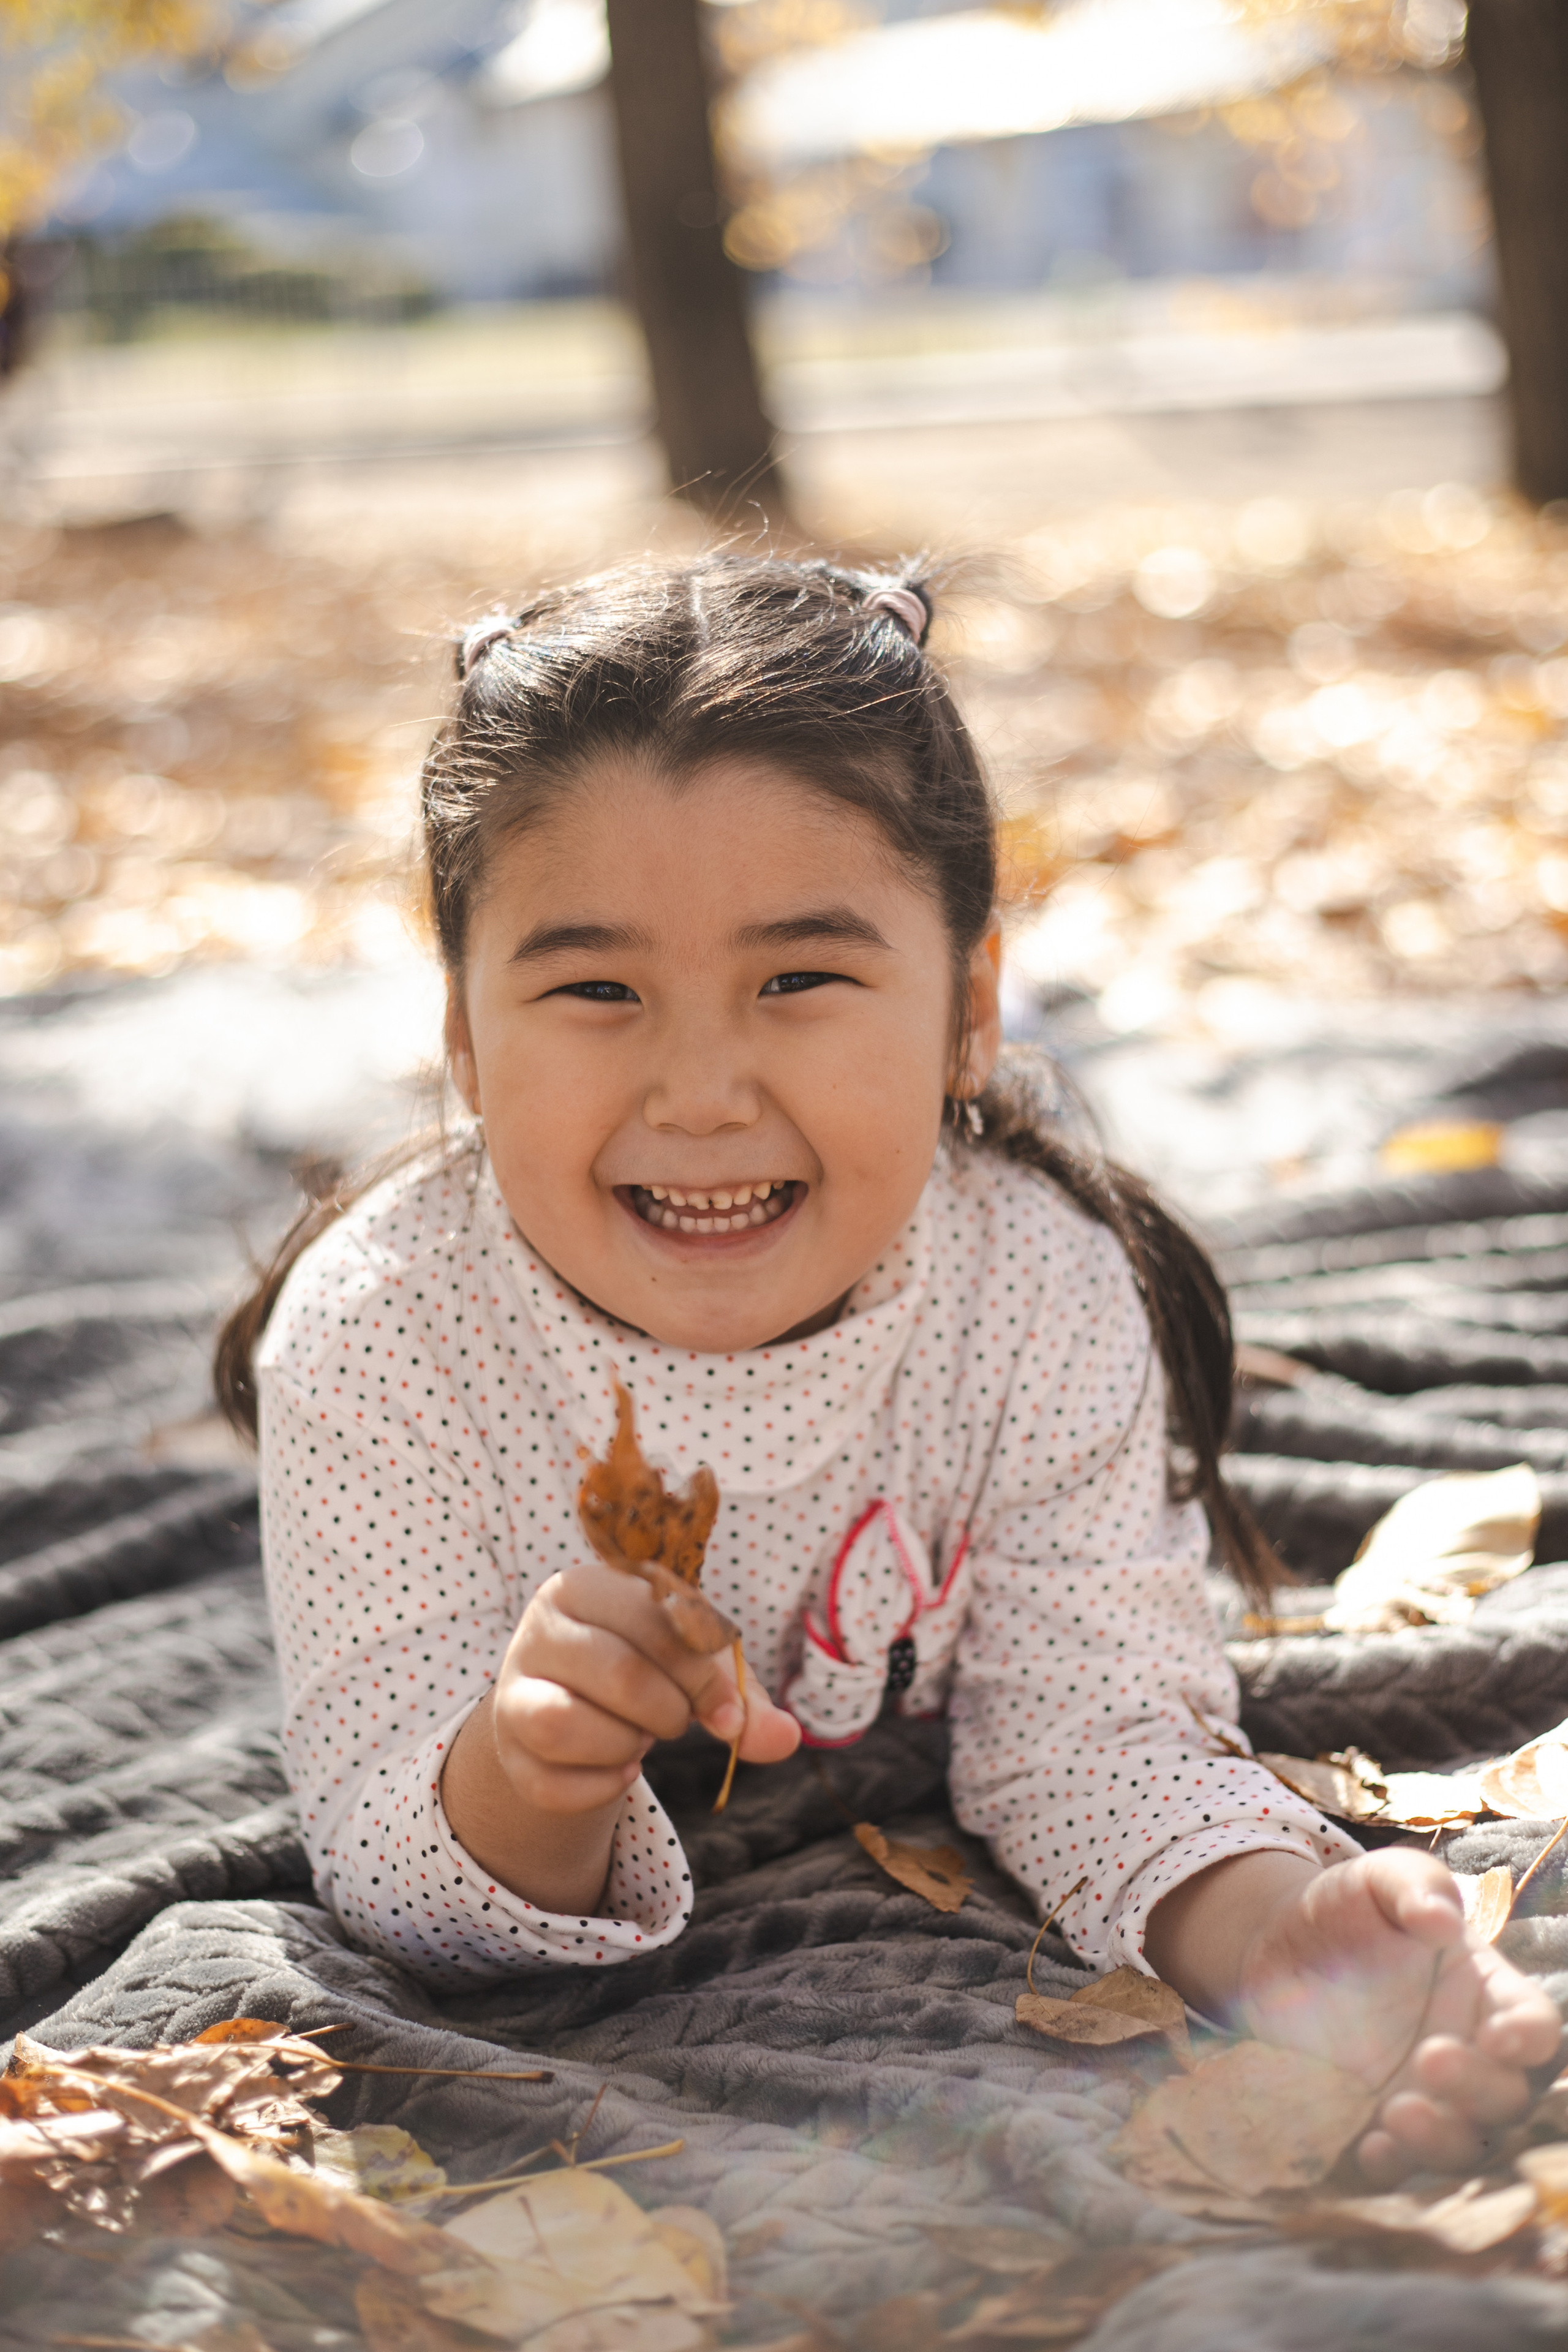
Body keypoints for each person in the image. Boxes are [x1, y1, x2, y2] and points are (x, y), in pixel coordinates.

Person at [217, 554, 1558, 2184]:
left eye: (800, 979)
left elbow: (1097, 1732)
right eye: (595, 990)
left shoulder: (1032, 1290)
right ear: (465, 1042)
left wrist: (1284, 1937)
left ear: (968, 1013)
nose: (702, 1087)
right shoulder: (385, 1344)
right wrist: (527, 1779)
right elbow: (382, 1844)